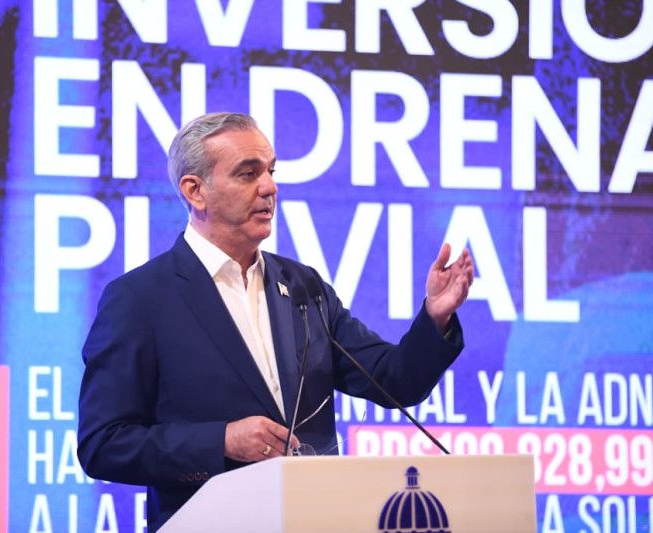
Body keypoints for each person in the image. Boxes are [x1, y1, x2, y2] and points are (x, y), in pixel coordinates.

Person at [77, 112, 474, 530]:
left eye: (270, 171)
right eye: (248, 174)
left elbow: (395, 380)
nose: (269, 187)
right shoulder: (141, 299)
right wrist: (222, 440)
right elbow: (103, 444)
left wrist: (436, 316)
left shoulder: (304, 287)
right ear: (195, 191)